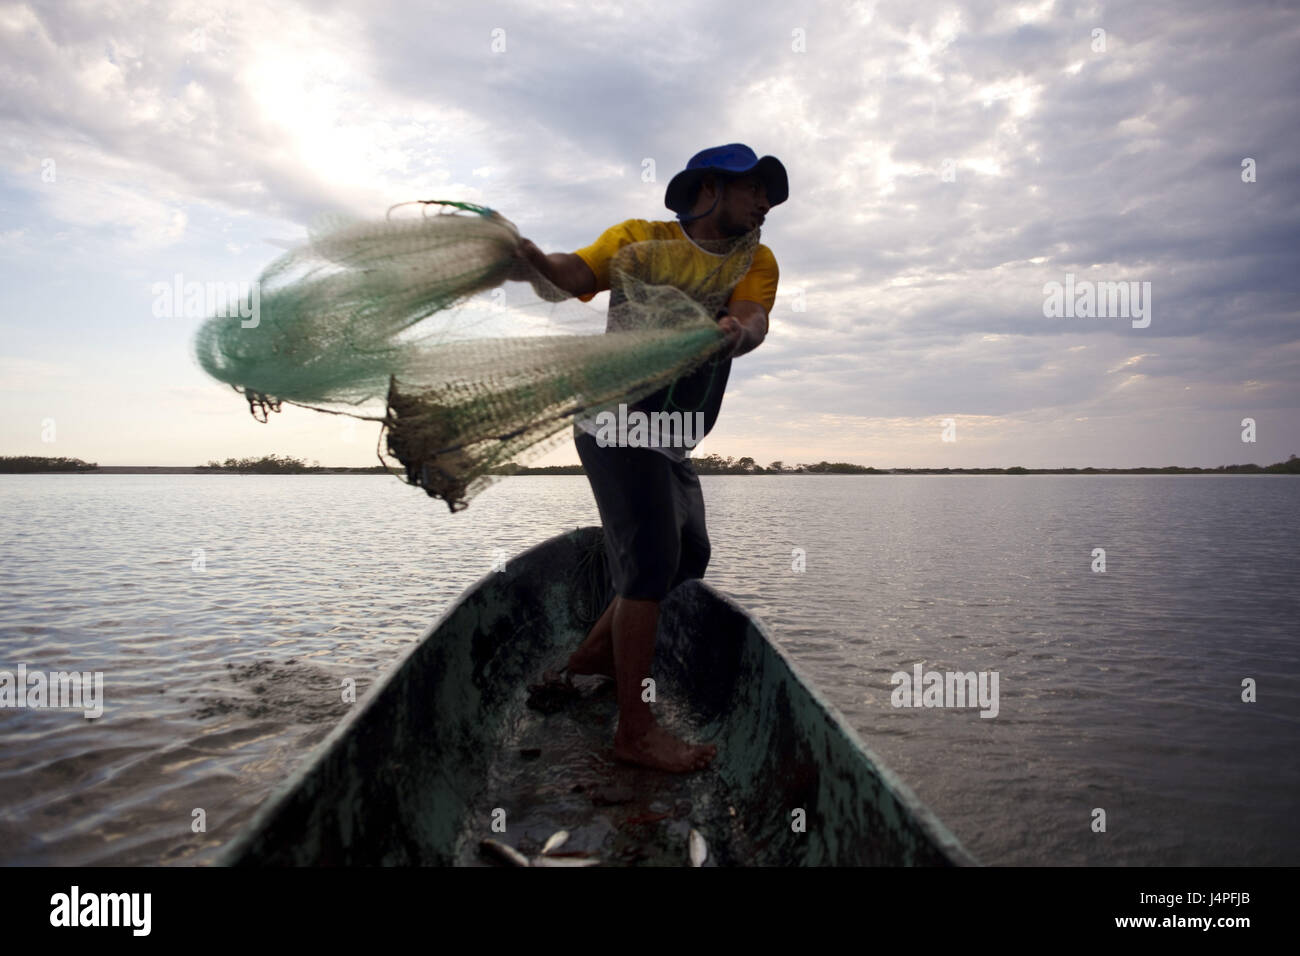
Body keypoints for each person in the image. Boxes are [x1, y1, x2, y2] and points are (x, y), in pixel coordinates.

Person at [514, 143, 787, 772]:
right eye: (755, 189)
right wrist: (529, 262)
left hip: (673, 433)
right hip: (613, 420)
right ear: (709, 189)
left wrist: (737, 333)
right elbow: (573, 276)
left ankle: (587, 661)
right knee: (650, 564)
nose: (766, 203)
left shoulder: (758, 259)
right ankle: (634, 731)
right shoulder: (639, 242)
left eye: (769, 194)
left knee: (688, 558)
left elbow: (753, 319)